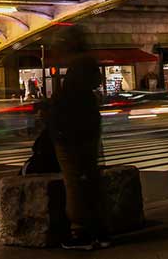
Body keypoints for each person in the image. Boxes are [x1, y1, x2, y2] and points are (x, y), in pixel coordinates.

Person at [47, 27, 109, 250]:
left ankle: (79, 232)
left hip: (71, 134)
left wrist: (53, 109)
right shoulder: (89, 66)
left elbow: (69, 103)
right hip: (87, 130)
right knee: (90, 178)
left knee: (74, 181)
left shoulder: (77, 70)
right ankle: (99, 231)